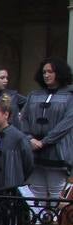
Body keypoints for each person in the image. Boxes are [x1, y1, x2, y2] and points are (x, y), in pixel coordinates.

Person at [21, 58, 73, 200]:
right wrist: (29, 138)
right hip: (34, 152)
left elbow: (67, 123)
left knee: (56, 195)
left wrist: (45, 141)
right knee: (36, 195)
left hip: (58, 152)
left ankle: (54, 222)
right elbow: (23, 119)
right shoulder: (33, 95)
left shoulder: (70, 96)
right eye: (44, 72)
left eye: (50, 72)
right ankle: (37, 222)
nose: (46, 75)